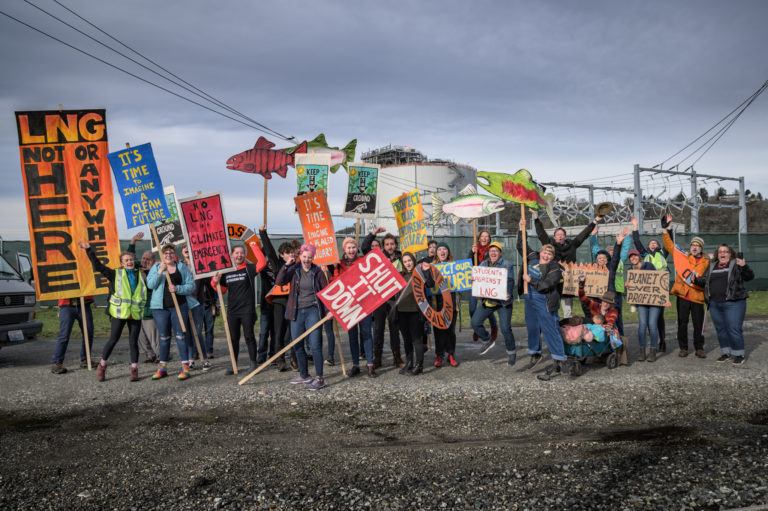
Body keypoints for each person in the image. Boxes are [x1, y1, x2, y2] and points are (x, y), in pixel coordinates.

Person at [79, 241, 146, 382]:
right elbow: (98, 266)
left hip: (134, 314)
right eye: (126, 260)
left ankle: (134, 369)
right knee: (113, 339)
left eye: (131, 259)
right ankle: (102, 367)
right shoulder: (115, 274)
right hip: (119, 313)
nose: (129, 262)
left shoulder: (140, 274)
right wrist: (89, 250)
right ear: (121, 263)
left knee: (133, 342)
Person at [275, 243, 329, 390]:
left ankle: (319, 378)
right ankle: (304, 375)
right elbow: (279, 282)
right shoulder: (294, 270)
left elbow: (325, 292)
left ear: (313, 258)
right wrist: (286, 265)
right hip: (296, 311)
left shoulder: (317, 272)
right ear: (300, 256)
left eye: (309, 257)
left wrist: (328, 310)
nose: (306, 260)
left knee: (315, 345)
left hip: (313, 311)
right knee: (297, 344)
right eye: (304, 256)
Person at [516, 218, 566, 377]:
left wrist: (531, 280)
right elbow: (521, 246)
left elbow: (547, 285)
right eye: (545, 251)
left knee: (550, 329)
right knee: (532, 327)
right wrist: (521, 230)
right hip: (529, 297)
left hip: (544, 300)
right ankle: (535, 353)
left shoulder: (555, 268)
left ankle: (558, 361)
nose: (546, 254)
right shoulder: (533, 258)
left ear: (552, 257)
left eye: (550, 253)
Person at [534, 211, 600, 319]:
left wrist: (595, 221)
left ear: (565, 236)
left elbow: (583, 235)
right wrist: (536, 218)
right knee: (550, 309)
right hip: (553, 282)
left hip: (567, 283)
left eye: (562, 234)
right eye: (558, 234)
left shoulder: (572, 245)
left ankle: (566, 332)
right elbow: (541, 233)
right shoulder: (550, 245)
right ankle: (551, 329)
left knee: (567, 311)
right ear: (554, 237)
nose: (560, 236)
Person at [660, 213, 710, 358]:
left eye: (697, 245)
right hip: (682, 294)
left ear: (701, 248)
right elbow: (669, 245)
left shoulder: (707, 261)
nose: (694, 247)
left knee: (698, 323)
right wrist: (665, 229)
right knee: (682, 323)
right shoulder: (683, 255)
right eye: (693, 245)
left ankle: (699, 348)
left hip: (697, 296)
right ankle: (683, 348)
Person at [694, 245, 754, 364]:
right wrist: (695, 279)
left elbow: (749, 277)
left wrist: (744, 266)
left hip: (734, 303)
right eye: (720, 252)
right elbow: (704, 281)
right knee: (721, 329)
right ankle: (726, 352)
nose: (723, 254)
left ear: (730, 254)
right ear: (717, 254)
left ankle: (739, 354)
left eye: (725, 252)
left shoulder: (736, 265)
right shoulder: (712, 266)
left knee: (733, 328)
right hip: (715, 304)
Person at [212, 245, 266, 375]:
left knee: (249, 336)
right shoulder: (226, 271)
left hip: (247, 309)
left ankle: (253, 364)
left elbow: (262, 263)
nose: (239, 255)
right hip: (232, 311)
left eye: (242, 253)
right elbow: (223, 290)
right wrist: (214, 282)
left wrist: (253, 246)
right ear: (231, 255)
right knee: (233, 338)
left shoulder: (249, 268)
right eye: (237, 253)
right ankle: (233, 364)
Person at [328, 237, 376, 377]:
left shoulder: (363, 261)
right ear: (344, 249)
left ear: (356, 248)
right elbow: (335, 282)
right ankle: (355, 364)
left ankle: (370, 364)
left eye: (353, 247)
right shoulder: (339, 265)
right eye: (348, 248)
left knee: (366, 333)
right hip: (349, 305)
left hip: (364, 302)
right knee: (352, 335)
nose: (351, 250)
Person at [147, 244, 196, 380]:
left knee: (180, 336)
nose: (168, 255)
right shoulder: (156, 268)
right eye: (165, 253)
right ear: (161, 255)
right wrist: (160, 272)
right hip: (160, 308)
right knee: (163, 337)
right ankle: (162, 367)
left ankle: (185, 366)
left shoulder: (181, 267)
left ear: (174, 254)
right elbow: (150, 285)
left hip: (179, 306)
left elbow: (191, 285)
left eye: (170, 252)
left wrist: (178, 289)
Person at [260, 228, 301, 372]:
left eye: (292, 253)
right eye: (287, 253)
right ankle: (280, 359)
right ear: (282, 255)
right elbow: (269, 251)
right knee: (279, 331)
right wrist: (263, 233)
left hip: (294, 303)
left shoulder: (298, 266)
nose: (291, 255)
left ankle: (295, 359)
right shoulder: (278, 265)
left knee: (294, 332)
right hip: (279, 303)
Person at [362, 227, 403, 368]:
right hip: (379, 298)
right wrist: (373, 234)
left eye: (392, 244)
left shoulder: (402, 257)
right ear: (383, 246)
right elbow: (364, 247)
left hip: (394, 299)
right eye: (387, 244)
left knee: (394, 329)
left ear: (396, 245)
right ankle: (377, 358)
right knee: (378, 329)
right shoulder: (377, 256)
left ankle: (397, 358)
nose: (390, 247)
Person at [472, 242, 516, 366]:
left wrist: (507, 293)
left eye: (496, 251)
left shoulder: (506, 264)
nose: (493, 253)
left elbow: (511, 281)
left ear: (500, 253)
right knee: (475, 322)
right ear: (488, 253)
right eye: (491, 251)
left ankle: (511, 352)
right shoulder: (483, 264)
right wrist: (474, 279)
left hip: (503, 302)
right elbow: (479, 278)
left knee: (505, 328)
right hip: (488, 300)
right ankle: (487, 340)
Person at [631, 216, 669, 351]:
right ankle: (650, 342)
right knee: (646, 320)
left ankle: (662, 341)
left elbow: (668, 242)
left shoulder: (663, 253)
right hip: (645, 290)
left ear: (658, 246)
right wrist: (635, 226)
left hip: (659, 290)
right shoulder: (644, 254)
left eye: (655, 243)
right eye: (651, 243)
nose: (653, 244)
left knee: (659, 318)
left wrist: (667, 227)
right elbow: (636, 241)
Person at [589, 226, 632, 336]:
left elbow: (618, 255)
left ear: (608, 259)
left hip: (612, 295)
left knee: (614, 318)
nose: (602, 260)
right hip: (598, 296)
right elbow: (594, 249)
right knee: (598, 318)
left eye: (604, 258)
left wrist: (619, 243)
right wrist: (593, 235)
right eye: (599, 258)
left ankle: (619, 339)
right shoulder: (594, 269)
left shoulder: (612, 266)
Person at [625, 248, 662, 362]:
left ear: (639, 256)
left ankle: (653, 351)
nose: (633, 258)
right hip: (641, 301)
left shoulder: (649, 265)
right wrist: (628, 286)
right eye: (631, 257)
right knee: (642, 325)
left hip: (654, 301)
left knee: (652, 324)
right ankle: (642, 351)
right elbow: (632, 289)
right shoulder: (630, 270)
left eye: (635, 255)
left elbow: (658, 281)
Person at [127, 234, 159, 364]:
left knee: (153, 335)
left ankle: (161, 355)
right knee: (141, 335)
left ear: (153, 260)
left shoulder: (156, 271)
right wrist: (133, 241)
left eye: (149, 259)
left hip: (151, 309)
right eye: (144, 258)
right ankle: (149, 355)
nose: (146, 261)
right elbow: (130, 257)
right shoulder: (137, 269)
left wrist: (155, 270)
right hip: (137, 308)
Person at [181, 245, 213, 371]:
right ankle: (190, 359)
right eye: (184, 247)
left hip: (197, 303)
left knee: (197, 332)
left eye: (188, 246)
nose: (186, 249)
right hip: (183, 302)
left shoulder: (200, 264)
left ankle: (204, 359)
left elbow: (208, 280)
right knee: (187, 333)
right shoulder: (179, 265)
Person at [395, 252, 425, 375]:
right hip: (402, 312)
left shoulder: (419, 274)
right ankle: (409, 363)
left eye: (409, 260)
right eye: (405, 261)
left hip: (415, 311)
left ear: (413, 260)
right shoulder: (400, 275)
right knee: (406, 339)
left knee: (416, 340)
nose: (408, 263)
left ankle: (419, 365)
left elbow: (430, 284)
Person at [49, 294, 94, 374]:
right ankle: (57, 363)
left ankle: (85, 360)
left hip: (84, 303)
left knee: (88, 332)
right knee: (64, 335)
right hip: (66, 306)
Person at [468, 230, 497, 341]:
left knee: (487, 306)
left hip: (486, 282)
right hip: (474, 281)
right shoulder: (474, 249)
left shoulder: (492, 250)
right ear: (478, 238)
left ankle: (494, 327)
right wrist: (472, 252)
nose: (484, 238)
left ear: (489, 239)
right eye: (482, 236)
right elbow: (468, 263)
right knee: (472, 308)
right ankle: (477, 328)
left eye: (487, 236)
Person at [433, 242, 459, 368]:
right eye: (440, 249)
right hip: (436, 304)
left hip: (452, 304)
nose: (442, 251)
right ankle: (439, 355)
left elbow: (462, 281)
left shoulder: (455, 266)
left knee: (450, 331)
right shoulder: (432, 267)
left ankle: (451, 354)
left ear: (448, 252)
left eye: (445, 249)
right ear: (436, 252)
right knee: (438, 331)